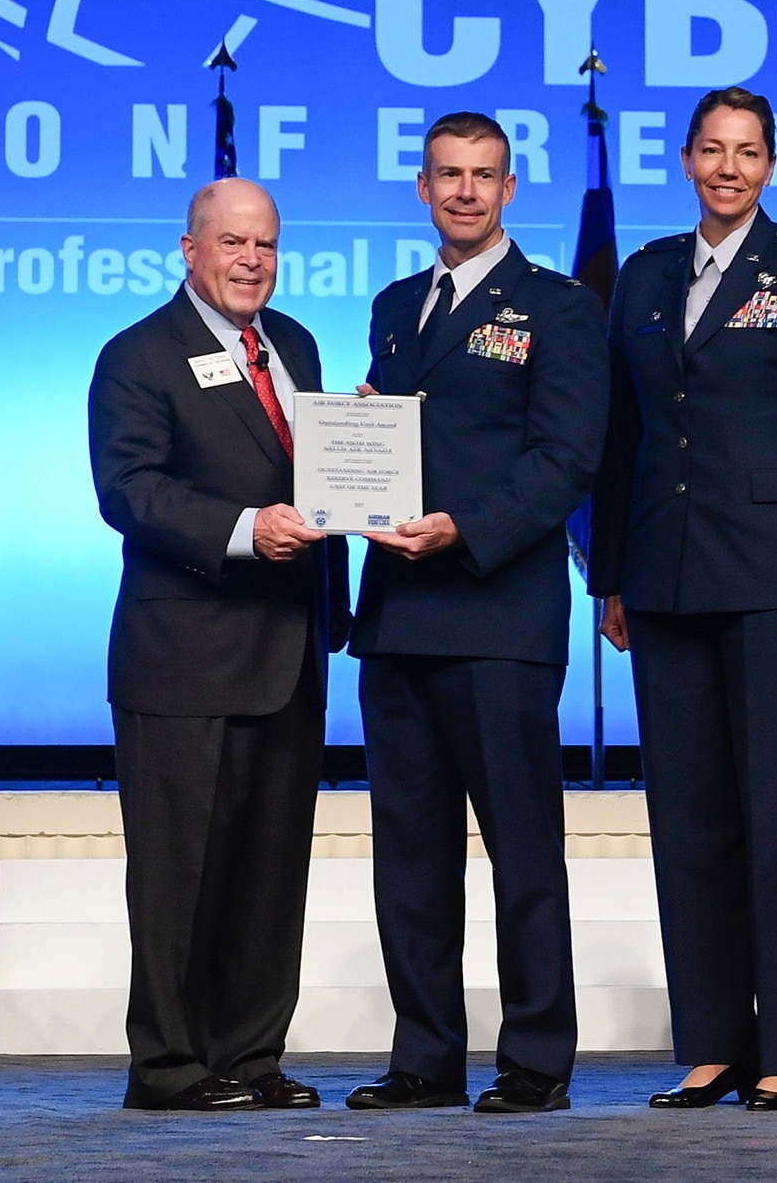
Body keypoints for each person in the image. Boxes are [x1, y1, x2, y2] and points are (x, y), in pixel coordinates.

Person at [588, 87, 777, 1113]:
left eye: (747, 152)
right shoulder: (647, 272)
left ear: (770, 164)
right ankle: (710, 1042)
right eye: (711, 150)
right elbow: (621, 435)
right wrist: (608, 570)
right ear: (686, 158)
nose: (728, 168)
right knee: (689, 822)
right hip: (662, 579)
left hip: (776, 583)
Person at [344, 112, 611, 1115]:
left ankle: (535, 1058)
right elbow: (389, 441)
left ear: (510, 189)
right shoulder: (393, 305)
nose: (464, 191)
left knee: (522, 855)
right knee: (409, 857)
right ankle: (425, 1057)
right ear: (422, 187)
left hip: (499, 616)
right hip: (398, 617)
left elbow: (565, 461)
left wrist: (464, 527)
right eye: (447, 175)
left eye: (483, 176)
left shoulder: (556, 307)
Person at [88, 177, 348, 1112]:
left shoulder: (299, 349)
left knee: (270, 872)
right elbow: (130, 490)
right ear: (190, 249)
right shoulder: (138, 355)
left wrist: (361, 450)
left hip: (289, 653)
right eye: (232, 243)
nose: (251, 261)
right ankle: (168, 1067)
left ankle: (248, 1056)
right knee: (176, 875)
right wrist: (244, 527)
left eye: (266, 246)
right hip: (182, 659)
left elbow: (317, 482)